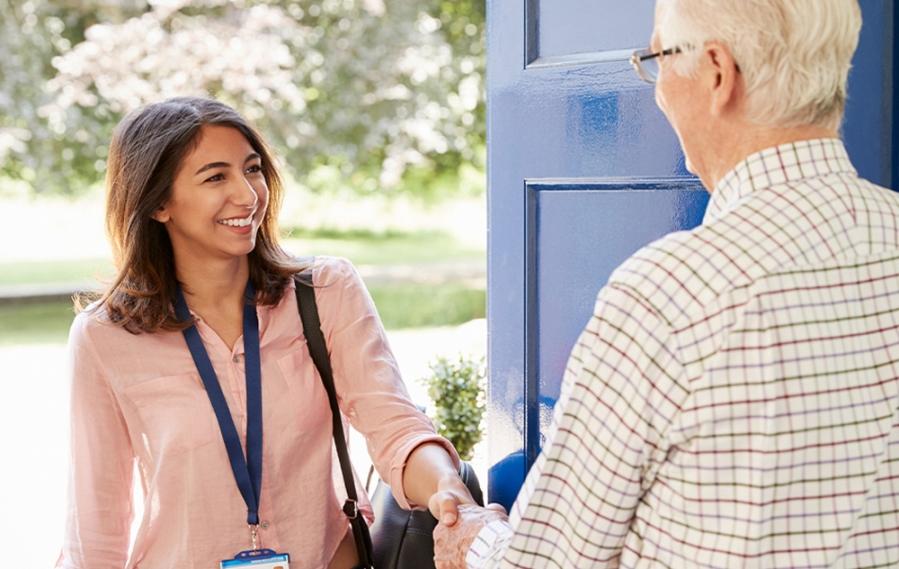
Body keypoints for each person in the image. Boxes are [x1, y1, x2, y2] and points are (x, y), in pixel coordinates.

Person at [435, 0, 899, 567]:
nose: (655, 89)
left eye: (657, 57)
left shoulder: (667, 295)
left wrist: (473, 544)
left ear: (716, 73)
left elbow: (544, 562)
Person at [57, 96, 474, 569]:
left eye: (252, 169)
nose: (248, 194)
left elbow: (395, 428)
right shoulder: (105, 337)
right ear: (158, 203)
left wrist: (447, 487)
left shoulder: (326, 293)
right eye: (216, 177)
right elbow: (96, 526)